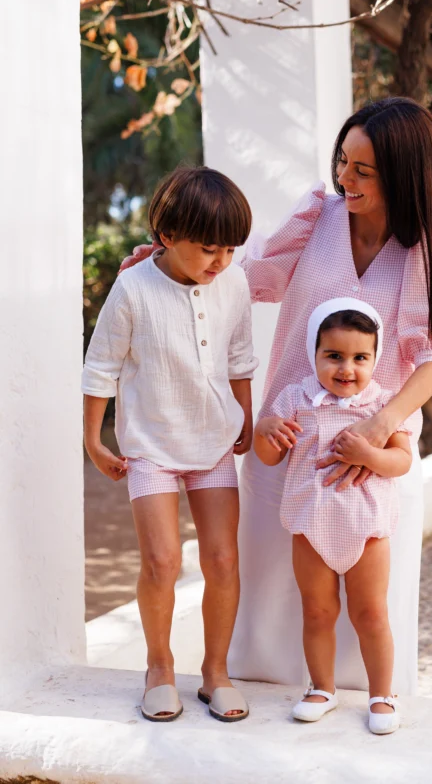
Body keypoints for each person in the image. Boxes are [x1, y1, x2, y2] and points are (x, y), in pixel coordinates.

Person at [230, 96, 432, 696]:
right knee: (274, 594)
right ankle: (273, 721)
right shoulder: (318, 215)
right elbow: (253, 276)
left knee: (370, 608)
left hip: (376, 459)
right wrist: (171, 266)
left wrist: (377, 427)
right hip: (287, 439)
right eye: (344, 161)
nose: (346, 178)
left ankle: (376, 704)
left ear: (403, 173)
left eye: (363, 170)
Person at [83, 166, 257, 723]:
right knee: (160, 561)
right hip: (151, 445)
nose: (220, 262)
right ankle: (159, 667)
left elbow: (239, 358)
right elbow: (100, 367)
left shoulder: (235, 283)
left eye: (229, 250)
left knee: (224, 559)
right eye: (208, 249)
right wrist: (93, 439)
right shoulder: (133, 286)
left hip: (213, 442)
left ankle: (216, 673)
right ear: (166, 235)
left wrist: (246, 417)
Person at [254, 299, 412, 734]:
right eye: (334, 356)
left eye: (360, 358)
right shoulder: (295, 398)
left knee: (371, 613)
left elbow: (402, 461)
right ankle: (322, 687)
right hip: (310, 523)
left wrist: (370, 453)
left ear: (375, 359)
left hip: (367, 528)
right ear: (315, 353)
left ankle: (383, 693)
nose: (347, 368)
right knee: (317, 611)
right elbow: (268, 457)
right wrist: (264, 430)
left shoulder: (382, 404)